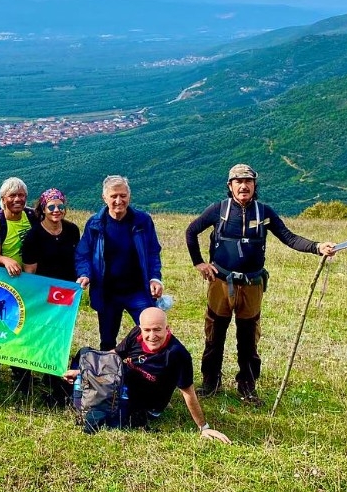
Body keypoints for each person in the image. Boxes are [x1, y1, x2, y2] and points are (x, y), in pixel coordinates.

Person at [185, 163, 338, 405]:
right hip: (221, 282)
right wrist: (199, 263)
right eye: (238, 182)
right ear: (230, 186)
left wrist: (317, 247)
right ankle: (211, 382)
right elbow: (191, 231)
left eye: (248, 181)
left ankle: (247, 386)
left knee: (248, 338)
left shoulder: (264, 212)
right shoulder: (219, 210)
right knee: (215, 334)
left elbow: (289, 237)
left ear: (255, 185)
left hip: (253, 284)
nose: (243, 186)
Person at [62, 307, 230, 442]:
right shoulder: (136, 333)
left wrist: (204, 427)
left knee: (107, 412)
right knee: (85, 354)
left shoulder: (178, 354)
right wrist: (82, 371)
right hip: (125, 381)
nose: (152, 336)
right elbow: (114, 356)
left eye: (157, 330)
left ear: (167, 329)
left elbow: (188, 392)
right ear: (141, 328)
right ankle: (74, 395)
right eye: (147, 330)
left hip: (145, 402)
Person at [75, 175, 164, 351]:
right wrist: (84, 274)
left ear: (129, 197)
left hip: (138, 290)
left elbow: (153, 252)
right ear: (104, 198)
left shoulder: (142, 221)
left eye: (123, 196)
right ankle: (109, 375)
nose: (118, 201)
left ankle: (151, 372)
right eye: (114, 196)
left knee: (152, 333)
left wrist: (155, 278)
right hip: (107, 293)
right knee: (107, 341)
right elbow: (82, 254)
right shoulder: (94, 223)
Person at [21, 188, 81, 404]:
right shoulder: (34, 235)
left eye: (60, 206)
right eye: (51, 207)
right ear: (43, 209)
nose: (56, 210)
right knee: (40, 335)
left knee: (61, 336)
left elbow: (78, 259)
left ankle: (54, 376)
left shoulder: (73, 230)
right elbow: (30, 272)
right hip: (43, 293)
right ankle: (26, 378)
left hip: (67, 293)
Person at [0, 177, 38, 390]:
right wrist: (7, 260)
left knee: (22, 323)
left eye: (21, 195)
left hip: (26, 280)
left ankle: (21, 370)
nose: (17, 199)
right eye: (12, 196)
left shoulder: (32, 216)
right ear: (3, 199)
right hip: (1, 279)